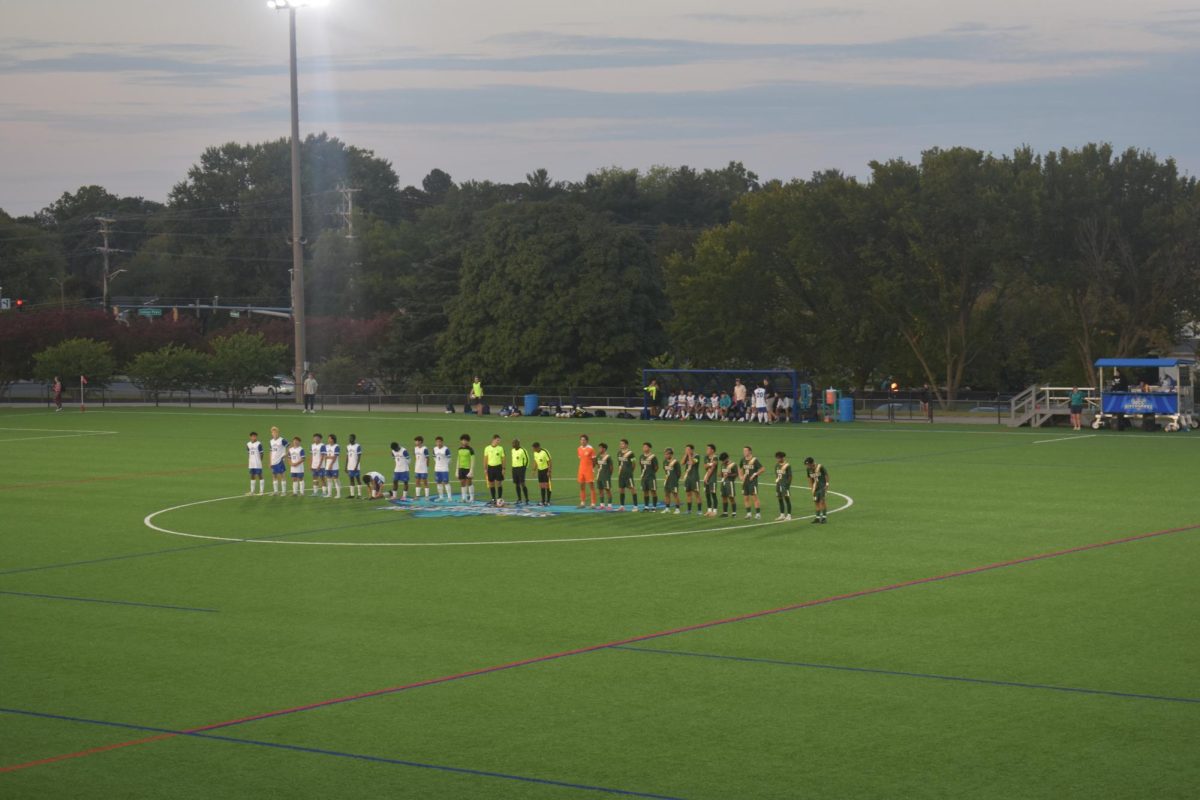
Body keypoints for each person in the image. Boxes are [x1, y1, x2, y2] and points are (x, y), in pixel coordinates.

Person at [738, 445, 764, 519]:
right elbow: (740, 468)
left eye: (746, 451)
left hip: (752, 482)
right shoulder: (742, 460)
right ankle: (749, 514)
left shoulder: (754, 460)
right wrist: (741, 476)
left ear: (750, 451)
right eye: (743, 451)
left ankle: (758, 514)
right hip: (745, 482)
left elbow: (762, 469)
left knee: (754, 497)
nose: (744, 452)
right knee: (745, 498)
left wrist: (755, 474)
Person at [804, 456, 830, 524]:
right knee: (816, 502)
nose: (807, 466)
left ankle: (824, 518)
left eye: (808, 464)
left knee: (822, 502)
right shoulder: (808, 470)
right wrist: (811, 488)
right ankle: (817, 518)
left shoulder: (820, 467)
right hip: (815, 488)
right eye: (806, 465)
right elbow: (809, 478)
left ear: (812, 463)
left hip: (822, 487)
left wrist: (827, 484)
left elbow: (826, 475)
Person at [483, 434, 505, 505]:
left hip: (498, 467)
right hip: (490, 468)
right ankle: (493, 499)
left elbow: (503, 458)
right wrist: (485, 468)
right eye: (498, 440)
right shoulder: (487, 448)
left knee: (499, 483)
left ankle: (499, 498)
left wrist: (503, 468)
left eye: (499, 440)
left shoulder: (500, 448)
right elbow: (485, 459)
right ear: (493, 439)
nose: (498, 442)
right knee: (491, 483)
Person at [616, 438, 637, 511]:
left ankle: (635, 506)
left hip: (628, 474)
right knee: (621, 489)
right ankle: (622, 506)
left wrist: (630, 471)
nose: (620, 445)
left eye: (622, 444)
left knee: (632, 489)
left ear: (626, 445)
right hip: (621, 474)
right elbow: (619, 464)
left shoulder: (631, 453)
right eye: (620, 443)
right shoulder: (619, 453)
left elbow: (634, 463)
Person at [577, 434, 597, 508]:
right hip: (581, 469)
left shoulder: (591, 449)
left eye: (584, 440)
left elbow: (594, 460)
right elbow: (581, 458)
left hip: (588, 470)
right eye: (581, 440)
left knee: (591, 486)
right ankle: (582, 503)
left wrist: (592, 468)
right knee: (582, 486)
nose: (582, 441)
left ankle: (593, 503)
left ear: (587, 441)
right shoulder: (579, 449)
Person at [639, 442, 659, 511]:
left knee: (653, 491)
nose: (644, 448)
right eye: (643, 447)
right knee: (645, 491)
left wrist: (651, 473)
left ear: (649, 448)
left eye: (645, 447)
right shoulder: (641, 457)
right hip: (644, 477)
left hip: (651, 477)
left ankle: (654, 507)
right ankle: (646, 507)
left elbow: (656, 467)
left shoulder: (653, 457)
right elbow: (641, 466)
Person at [510, 438, 531, 505]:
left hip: (521, 468)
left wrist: (525, 468)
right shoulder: (512, 450)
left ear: (517, 444)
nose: (512, 444)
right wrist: (513, 467)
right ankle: (519, 499)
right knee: (516, 484)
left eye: (514, 443)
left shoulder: (523, 450)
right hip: (514, 469)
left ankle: (527, 499)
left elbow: (527, 459)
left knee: (522, 483)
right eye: (512, 443)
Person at [269, 426, 288, 495]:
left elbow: (289, 446)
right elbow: (271, 452)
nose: (274, 433)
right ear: (271, 433)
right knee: (274, 475)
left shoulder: (282, 440)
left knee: (282, 475)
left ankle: (283, 492)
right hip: (273, 461)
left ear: (278, 432)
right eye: (273, 432)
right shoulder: (271, 441)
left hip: (280, 460)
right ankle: (275, 491)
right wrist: (270, 461)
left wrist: (286, 454)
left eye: (275, 432)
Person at [681, 444, 700, 514]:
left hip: (694, 478)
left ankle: (699, 510)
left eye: (688, 449)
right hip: (687, 477)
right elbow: (682, 463)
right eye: (686, 449)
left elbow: (692, 462)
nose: (687, 451)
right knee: (688, 494)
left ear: (692, 450)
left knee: (697, 494)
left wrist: (689, 455)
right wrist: (686, 455)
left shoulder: (697, 456)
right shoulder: (686, 456)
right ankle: (689, 510)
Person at [661, 447, 681, 514]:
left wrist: (675, 479)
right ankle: (667, 508)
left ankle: (677, 509)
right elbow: (665, 470)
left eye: (667, 454)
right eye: (665, 454)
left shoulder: (675, 462)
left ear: (671, 455)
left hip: (673, 482)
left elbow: (679, 473)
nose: (665, 455)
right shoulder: (664, 462)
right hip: (667, 481)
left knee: (675, 495)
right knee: (666, 494)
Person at [774, 451, 792, 521]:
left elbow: (790, 476)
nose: (777, 459)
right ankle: (782, 515)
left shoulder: (787, 465)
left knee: (787, 499)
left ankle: (789, 515)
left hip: (785, 485)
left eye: (779, 458)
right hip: (778, 485)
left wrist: (787, 485)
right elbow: (777, 475)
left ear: (782, 458)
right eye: (777, 458)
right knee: (780, 499)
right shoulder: (776, 465)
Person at [594, 442, 613, 509]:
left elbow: (611, 467)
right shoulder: (598, 456)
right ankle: (602, 505)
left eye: (600, 448)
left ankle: (609, 505)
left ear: (604, 449)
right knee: (600, 490)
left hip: (606, 476)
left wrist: (608, 475)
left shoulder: (608, 457)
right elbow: (596, 463)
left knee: (607, 490)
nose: (599, 449)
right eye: (599, 448)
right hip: (599, 476)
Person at [433, 436, 452, 501]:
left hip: (444, 468)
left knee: (446, 482)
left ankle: (449, 497)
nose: (438, 443)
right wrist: (438, 463)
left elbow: (449, 458)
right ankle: (441, 497)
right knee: (438, 482)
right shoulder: (435, 449)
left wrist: (445, 464)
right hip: (437, 469)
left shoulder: (446, 449)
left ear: (442, 442)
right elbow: (434, 457)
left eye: (439, 442)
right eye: (437, 442)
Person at [457, 434, 475, 502]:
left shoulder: (470, 450)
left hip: (468, 468)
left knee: (469, 482)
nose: (464, 442)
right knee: (462, 482)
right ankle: (463, 498)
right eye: (463, 440)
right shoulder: (459, 449)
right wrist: (457, 470)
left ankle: (472, 498)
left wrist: (471, 470)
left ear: (468, 441)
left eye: (466, 440)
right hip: (461, 468)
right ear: (461, 441)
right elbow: (458, 459)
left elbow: (473, 460)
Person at [702, 444, 719, 516]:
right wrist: (710, 464)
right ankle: (709, 510)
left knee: (713, 494)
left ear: (712, 450)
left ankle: (714, 511)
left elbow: (713, 468)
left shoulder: (715, 458)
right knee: (707, 494)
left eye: (708, 449)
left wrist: (707, 477)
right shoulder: (706, 457)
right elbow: (705, 466)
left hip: (712, 478)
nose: (707, 450)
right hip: (706, 477)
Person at [412, 436, 431, 500]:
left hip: (423, 468)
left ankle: (427, 496)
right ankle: (417, 496)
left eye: (416, 441)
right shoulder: (415, 448)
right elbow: (416, 457)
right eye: (415, 441)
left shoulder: (425, 449)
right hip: (417, 468)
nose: (415, 442)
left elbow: (428, 458)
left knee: (425, 482)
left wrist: (427, 467)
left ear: (420, 441)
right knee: (417, 482)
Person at [719, 452, 737, 517]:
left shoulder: (733, 464)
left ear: (727, 458)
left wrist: (729, 475)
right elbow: (721, 473)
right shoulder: (722, 465)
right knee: (723, 497)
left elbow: (736, 474)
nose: (723, 462)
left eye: (723, 460)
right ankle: (725, 513)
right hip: (723, 482)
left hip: (730, 483)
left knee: (731, 497)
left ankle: (734, 513)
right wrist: (720, 474)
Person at [246, 431, 264, 496]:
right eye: (253, 436)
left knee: (260, 475)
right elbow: (249, 453)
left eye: (255, 436)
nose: (254, 437)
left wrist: (260, 461)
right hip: (251, 463)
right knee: (252, 476)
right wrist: (250, 461)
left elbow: (261, 453)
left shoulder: (259, 444)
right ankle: (252, 491)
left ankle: (261, 491)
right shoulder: (248, 444)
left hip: (257, 463)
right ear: (250, 437)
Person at [323, 433, 341, 498]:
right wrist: (330, 457)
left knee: (335, 480)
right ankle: (329, 494)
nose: (328, 439)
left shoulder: (336, 446)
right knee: (329, 480)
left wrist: (330, 464)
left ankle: (338, 494)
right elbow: (325, 456)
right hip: (327, 466)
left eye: (329, 438)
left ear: (333, 439)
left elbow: (335, 457)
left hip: (334, 466)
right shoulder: (326, 446)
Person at [346, 434, 363, 498]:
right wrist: (346, 466)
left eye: (351, 438)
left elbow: (359, 457)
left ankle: (359, 494)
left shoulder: (357, 446)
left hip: (356, 466)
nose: (350, 439)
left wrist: (356, 466)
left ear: (354, 439)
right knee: (351, 479)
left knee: (358, 479)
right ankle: (352, 494)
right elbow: (347, 457)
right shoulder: (348, 446)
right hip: (350, 466)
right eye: (349, 438)